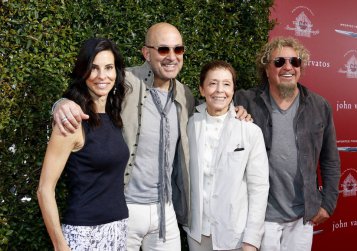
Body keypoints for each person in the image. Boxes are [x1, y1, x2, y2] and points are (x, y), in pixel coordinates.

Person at [51, 22, 250, 251]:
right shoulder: (124, 81)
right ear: (146, 53)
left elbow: (213, 111)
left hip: (166, 211)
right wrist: (61, 104)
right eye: (163, 49)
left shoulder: (185, 94)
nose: (172, 57)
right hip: (124, 208)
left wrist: (237, 112)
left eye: (178, 49)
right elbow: (89, 88)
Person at [234, 36, 341, 251]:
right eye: (279, 62)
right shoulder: (244, 101)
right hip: (259, 216)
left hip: (301, 217)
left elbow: (330, 159)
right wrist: (233, 114)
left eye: (295, 61)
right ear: (266, 69)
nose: (288, 67)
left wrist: (327, 203)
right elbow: (210, 109)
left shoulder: (319, 106)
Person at [37, 38, 131, 250]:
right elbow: (44, 189)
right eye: (94, 68)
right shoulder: (71, 122)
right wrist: (60, 245)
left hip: (118, 229)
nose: (102, 76)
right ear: (83, 72)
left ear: (116, 72)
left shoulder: (113, 115)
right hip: (83, 234)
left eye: (108, 68)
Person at [185, 60, 269, 251]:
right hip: (197, 234)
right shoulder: (190, 125)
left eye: (226, 84)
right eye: (213, 83)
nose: (219, 90)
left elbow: (259, 188)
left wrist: (252, 240)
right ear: (202, 89)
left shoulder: (250, 131)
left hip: (235, 236)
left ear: (233, 90)